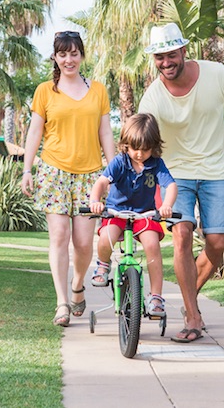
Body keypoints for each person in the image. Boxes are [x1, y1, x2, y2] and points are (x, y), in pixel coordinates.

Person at [138, 22, 224, 343]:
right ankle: (193, 315)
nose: (166, 62)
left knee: (217, 244)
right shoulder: (152, 97)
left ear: (183, 50)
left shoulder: (215, 74)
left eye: (171, 55)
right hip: (174, 174)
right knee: (181, 235)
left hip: (216, 171)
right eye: (159, 57)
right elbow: (142, 137)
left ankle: (189, 292)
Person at [21, 31, 116, 327]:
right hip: (53, 171)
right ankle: (62, 302)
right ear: (55, 57)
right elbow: (35, 132)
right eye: (63, 54)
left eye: (74, 53)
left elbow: (105, 133)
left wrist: (114, 171)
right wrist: (27, 169)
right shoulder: (45, 91)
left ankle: (78, 284)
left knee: (85, 242)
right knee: (59, 237)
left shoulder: (98, 90)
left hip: (90, 175)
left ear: (82, 56)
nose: (68, 59)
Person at [88, 113, 178, 317]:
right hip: (116, 212)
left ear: (154, 147)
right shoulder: (120, 162)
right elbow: (102, 182)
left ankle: (156, 297)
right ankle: (102, 265)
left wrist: (167, 205)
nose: (139, 154)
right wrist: (95, 201)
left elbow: (171, 186)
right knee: (106, 238)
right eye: (134, 148)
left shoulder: (156, 164)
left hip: (143, 215)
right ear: (126, 144)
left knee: (153, 246)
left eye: (145, 150)